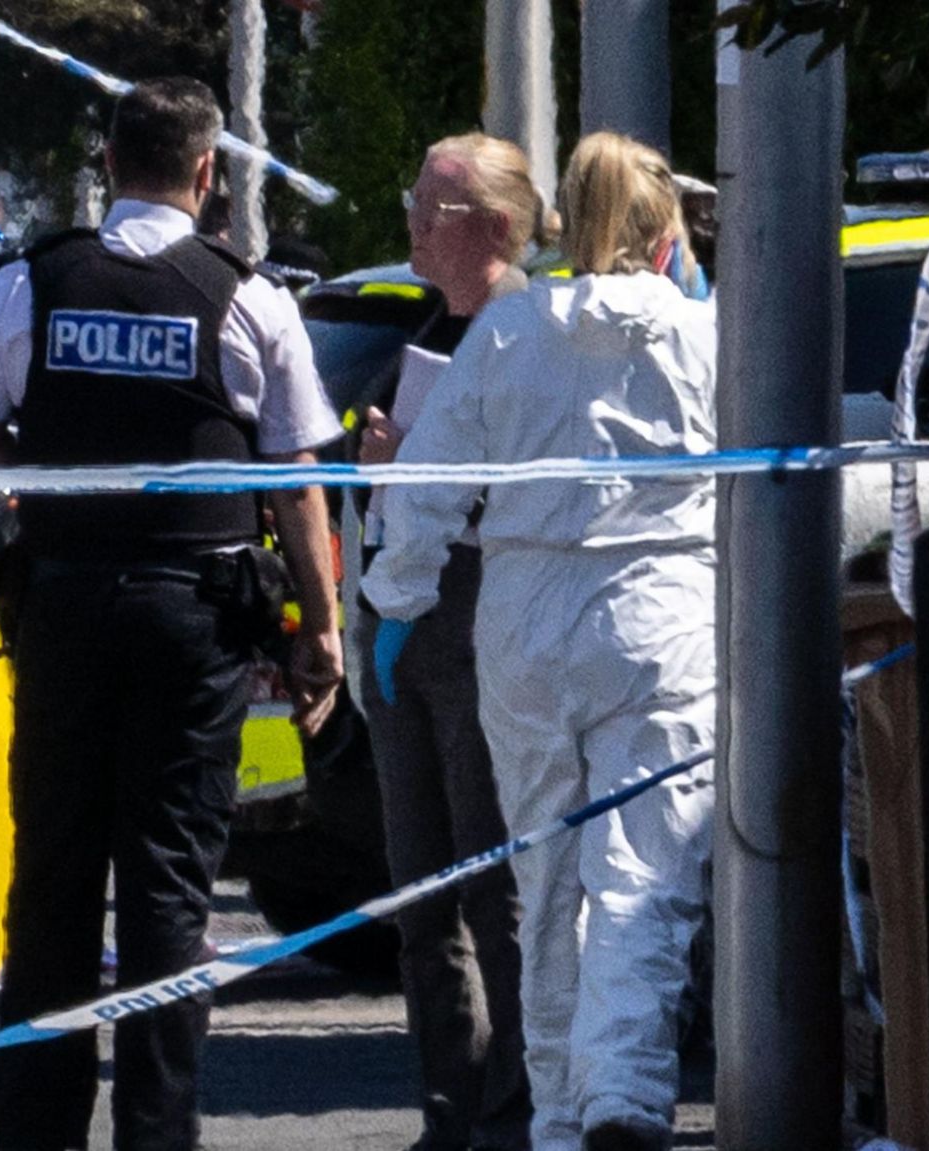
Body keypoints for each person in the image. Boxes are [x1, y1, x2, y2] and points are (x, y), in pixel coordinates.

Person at [0, 76, 345, 1151]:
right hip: (192, 622)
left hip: (66, 612)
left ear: (108, 162)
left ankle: (33, 1133)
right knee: (168, 891)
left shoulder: (32, 283)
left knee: (53, 884)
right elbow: (297, 483)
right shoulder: (248, 297)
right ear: (208, 174)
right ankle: (157, 1132)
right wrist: (320, 628)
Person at [362, 132, 719, 1151]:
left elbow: (424, 485)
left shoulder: (512, 331)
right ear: (664, 238)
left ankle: (562, 1116)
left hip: (523, 623)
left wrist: (397, 601)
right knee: (642, 878)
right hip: (660, 619)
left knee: (545, 879)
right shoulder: (699, 334)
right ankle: (621, 1095)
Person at [356, 133, 544, 1151]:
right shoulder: (428, 330)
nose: (416, 225)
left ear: (499, 228)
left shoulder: (527, 333)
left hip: (480, 615)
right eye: (413, 200)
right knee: (420, 887)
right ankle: (448, 1105)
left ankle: (512, 1108)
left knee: (492, 876)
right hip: (400, 614)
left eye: (438, 207)